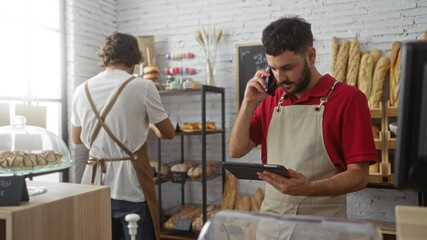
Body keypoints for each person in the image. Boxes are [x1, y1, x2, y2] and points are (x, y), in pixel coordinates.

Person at [229, 17, 377, 218]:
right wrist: (248, 103)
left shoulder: (349, 99)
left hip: (322, 227)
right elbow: (236, 150)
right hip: (272, 226)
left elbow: (359, 177)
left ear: (311, 55)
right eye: (273, 68)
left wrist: (310, 188)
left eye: (287, 68)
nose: (279, 78)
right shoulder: (270, 100)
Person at [71, 32, 175, 240]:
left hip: (93, 184)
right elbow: (168, 133)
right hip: (130, 183)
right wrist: (150, 126)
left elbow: (76, 138)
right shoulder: (143, 86)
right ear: (135, 59)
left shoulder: (81, 90)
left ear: (105, 58)